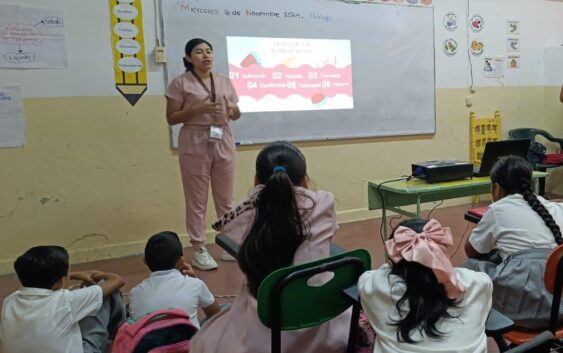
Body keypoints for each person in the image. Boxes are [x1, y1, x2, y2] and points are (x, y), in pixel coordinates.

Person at [189, 141, 350, 353]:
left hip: (263, 331)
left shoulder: (244, 214)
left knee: (205, 342)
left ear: (257, 183)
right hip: (320, 326)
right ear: (305, 180)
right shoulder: (324, 202)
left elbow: (226, 223)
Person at [359, 218, 492, 353]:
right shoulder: (478, 283)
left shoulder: (372, 286)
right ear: (443, 253)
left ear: (393, 258)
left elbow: (372, 274)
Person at [165, 38, 241, 270]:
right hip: (195, 140)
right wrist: (198, 109)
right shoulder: (180, 83)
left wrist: (231, 109)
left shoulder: (224, 80)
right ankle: (199, 247)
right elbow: (171, 118)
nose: (205, 55)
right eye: (199, 52)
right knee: (197, 199)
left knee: (226, 198)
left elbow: (237, 113)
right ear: (189, 58)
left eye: (209, 51)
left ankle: (228, 244)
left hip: (223, 137)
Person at [464, 155, 563, 327]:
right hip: (559, 310)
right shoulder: (556, 208)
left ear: (497, 188)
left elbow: (472, 251)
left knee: (470, 266)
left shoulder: (497, 210)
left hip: (519, 312)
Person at [1, 246, 125, 353]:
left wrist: (68, 275)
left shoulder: (9, 301)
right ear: (61, 280)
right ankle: (124, 337)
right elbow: (117, 281)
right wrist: (97, 275)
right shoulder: (65, 301)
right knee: (106, 292)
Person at [128, 231, 220, 327]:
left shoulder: (135, 293)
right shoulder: (195, 284)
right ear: (181, 262)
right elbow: (215, 314)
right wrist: (194, 279)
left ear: (145, 261)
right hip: (189, 341)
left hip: (151, 341)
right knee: (224, 309)